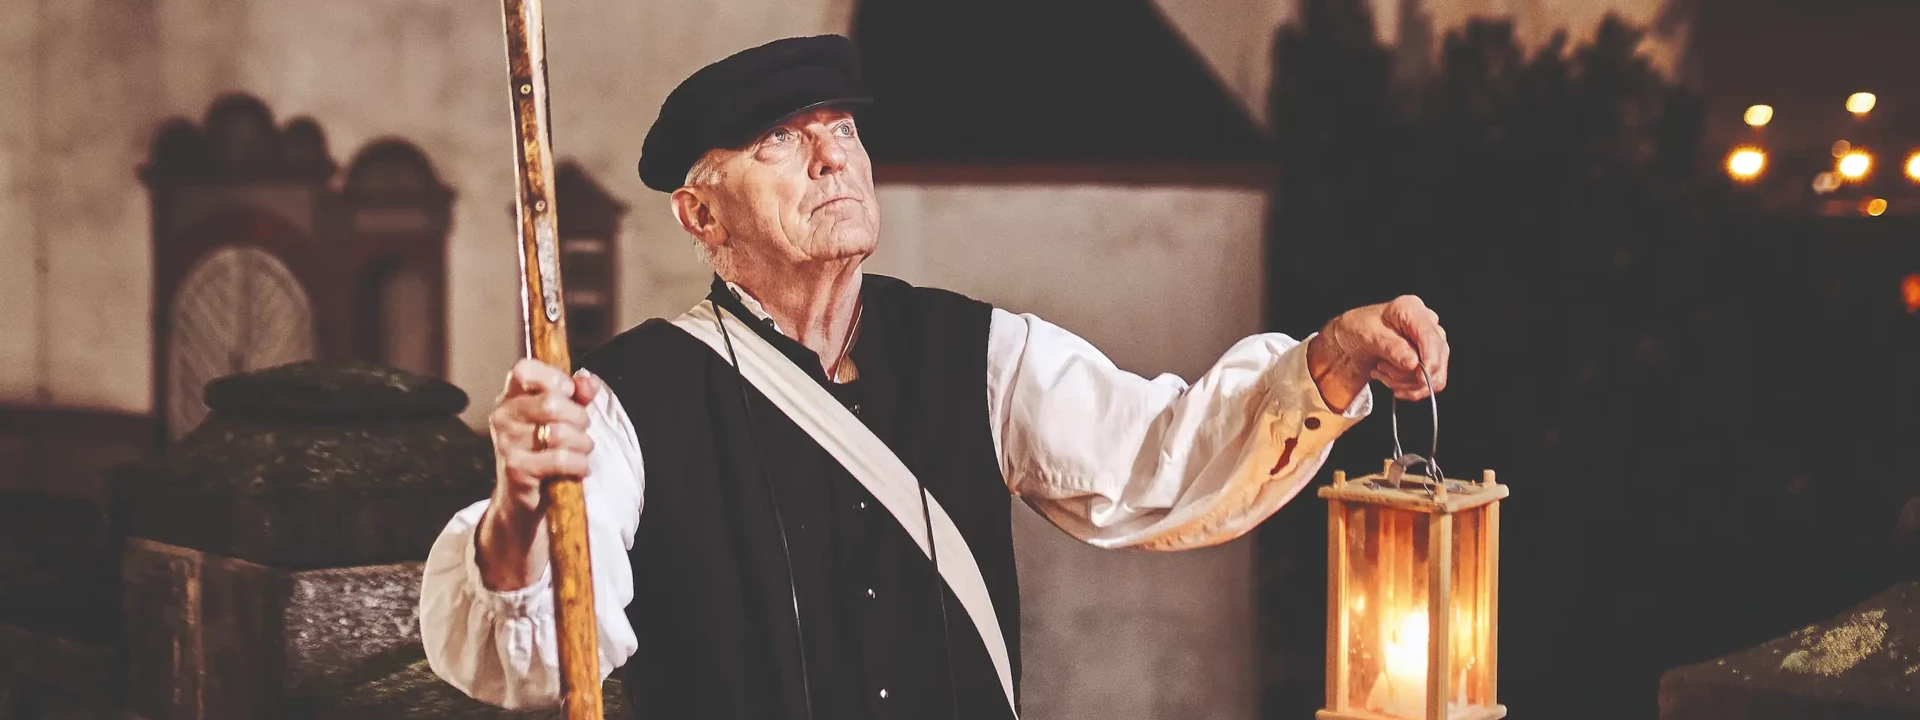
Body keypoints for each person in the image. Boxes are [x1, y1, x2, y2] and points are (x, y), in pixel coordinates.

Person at [419, 33, 1450, 720]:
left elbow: (1164, 461)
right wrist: (517, 508)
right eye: (782, 140)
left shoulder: (981, 352)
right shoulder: (626, 401)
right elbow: (538, 651)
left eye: (845, 130)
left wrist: (1330, 361)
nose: (833, 157)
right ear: (701, 215)